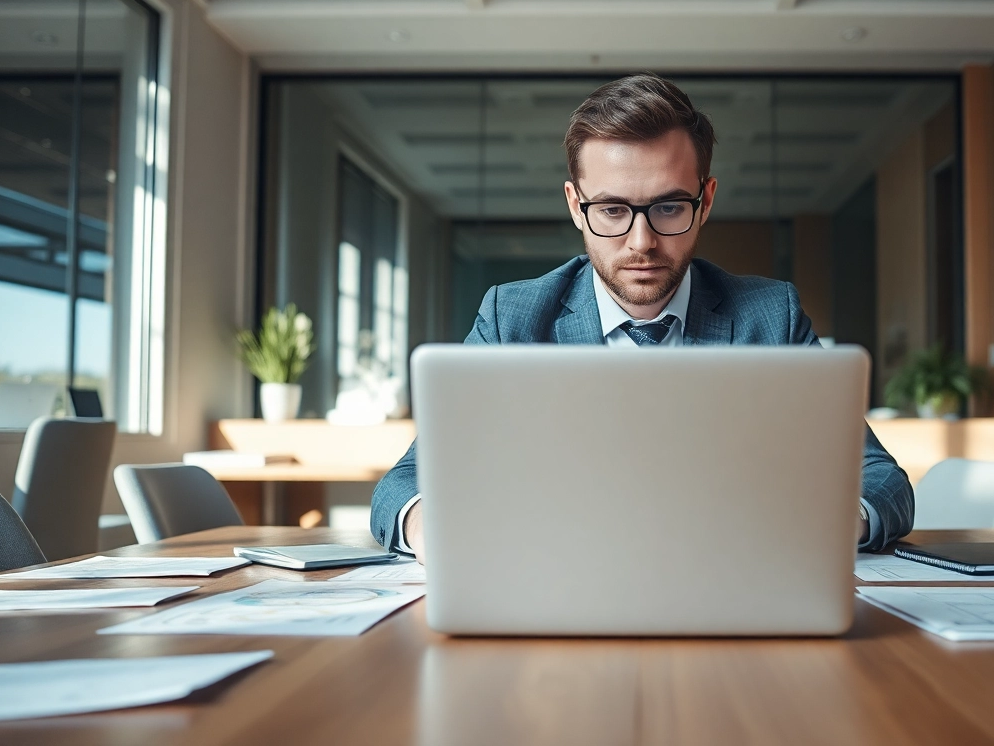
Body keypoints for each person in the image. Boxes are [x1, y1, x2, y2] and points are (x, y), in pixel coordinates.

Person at [370, 73, 913, 563]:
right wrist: (430, 529)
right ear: (574, 204)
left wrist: (832, 524)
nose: (641, 242)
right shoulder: (511, 318)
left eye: (669, 207)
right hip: (560, 581)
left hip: (729, 579)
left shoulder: (773, 317)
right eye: (612, 210)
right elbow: (406, 482)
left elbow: (881, 478)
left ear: (705, 201)